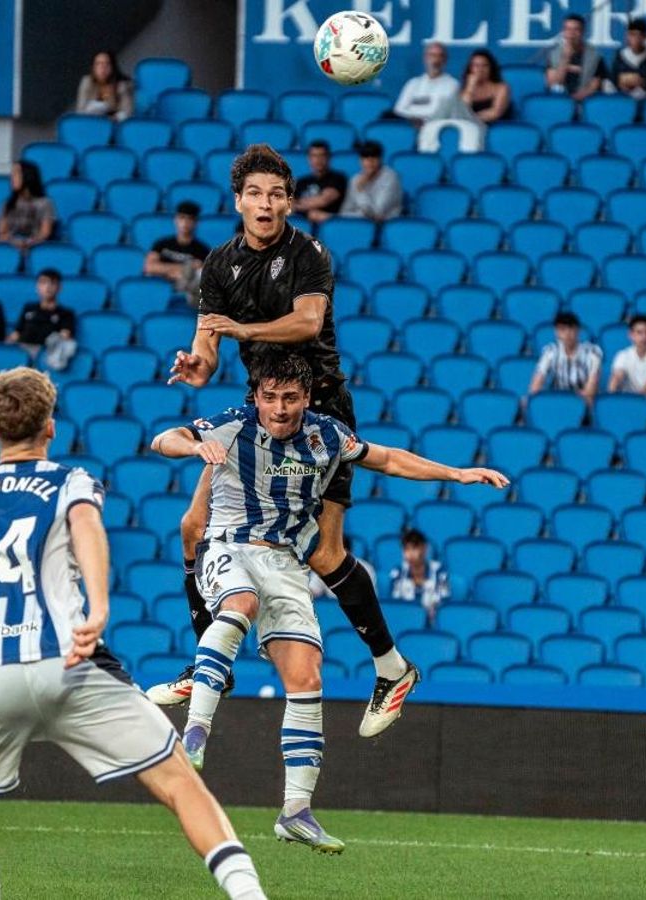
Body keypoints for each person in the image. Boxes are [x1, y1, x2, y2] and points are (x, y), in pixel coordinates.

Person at [0, 367, 267, 900]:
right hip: (70, 660)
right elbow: (86, 526)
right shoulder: (69, 481)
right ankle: (249, 894)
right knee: (179, 782)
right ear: (52, 428)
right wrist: (99, 605)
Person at [152, 351, 509, 852]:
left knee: (307, 677)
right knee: (239, 603)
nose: (279, 408)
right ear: (255, 397)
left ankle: (296, 811)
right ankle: (192, 739)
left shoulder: (326, 436)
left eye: (290, 398)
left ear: (306, 398)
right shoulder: (231, 425)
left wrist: (455, 474)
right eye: (270, 397)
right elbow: (163, 439)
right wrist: (193, 449)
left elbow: (385, 458)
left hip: (288, 566)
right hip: (229, 545)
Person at [155, 144, 420, 740]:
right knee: (193, 525)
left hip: (317, 407)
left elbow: (306, 321)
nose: (266, 203)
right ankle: (207, 666)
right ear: (238, 201)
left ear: (289, 202)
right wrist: (197, 367)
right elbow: (207, 346)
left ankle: (391, 668)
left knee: (325, 553)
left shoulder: (310, 254)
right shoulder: (219, 265)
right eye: (255, 193)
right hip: (261, 412)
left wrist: (242, 330)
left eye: (277, 194)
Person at [394, 42, 477, 153]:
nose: (436, 60)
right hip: (411, 125)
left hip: (435, 125)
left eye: (440, 56)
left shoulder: (452, 84)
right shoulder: (413, 83)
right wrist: (413, 118)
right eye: (432, 55)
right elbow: (399, 109)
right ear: (425, 58)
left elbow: (441, 111)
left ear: (445, 60)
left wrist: (422, 119)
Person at [528, 311, 602, 402]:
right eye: (562, 329)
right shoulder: (550, 351)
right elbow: (536, 383)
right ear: (556, 332)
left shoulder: (593, 352)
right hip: (557, 402)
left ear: (578, 330)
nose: (567, 334)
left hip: (583, 402)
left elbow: (591, 389)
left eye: (571, 328)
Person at [145, 200, 211, 295]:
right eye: (182, 218)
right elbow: (149, 267)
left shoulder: (203, 250)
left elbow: (202, 277)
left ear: (196, 223)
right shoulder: (161, 244)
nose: (185, 223)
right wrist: (185, 268)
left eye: (190, 219)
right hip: (157, 291)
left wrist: (163, 270)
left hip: (185, 293)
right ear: (175, 220)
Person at [8, 268, 77, 353]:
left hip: (48, 355)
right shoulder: (28, 308)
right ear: (37, 286)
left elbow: (64, 337)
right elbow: (16, 334)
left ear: (59, 288)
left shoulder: (66, 313)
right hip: (23, 353)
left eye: (53, 283)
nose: (48, 287)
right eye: (43, 282)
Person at [388, 530, 451, 623]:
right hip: (404, 621)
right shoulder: (398, 572)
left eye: (414, 548)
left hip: (432, 625)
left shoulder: (439, 571)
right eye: (406, 549)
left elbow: (443, 603)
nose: (410, 554)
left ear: (424, 549)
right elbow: (396, 604)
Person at [0, 160, 56, 250]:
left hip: (34, 248)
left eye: (16, 174)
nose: (12, 178)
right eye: (12, 174)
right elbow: (1, 233)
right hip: (10, 248)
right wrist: (12, 241)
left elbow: (45, 233)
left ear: (27, 176)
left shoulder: (44, 203)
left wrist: (27, 243)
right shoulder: (7, 203)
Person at [546, 13, 606, 101]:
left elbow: (594, 86)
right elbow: (553, 83)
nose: (571, 34)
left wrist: (574, 99)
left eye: (576, 30)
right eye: (568, 29)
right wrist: (565, 58)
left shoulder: (595, 57)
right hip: (560, 101)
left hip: (585, 101)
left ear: (583, 32)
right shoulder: (554, 55)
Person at [339, 141, 402, 223]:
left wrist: (361, 190)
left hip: (384, 226)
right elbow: (345, 212)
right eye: (366, 157)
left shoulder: (391, 178)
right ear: (360, 161)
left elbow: (376, 213)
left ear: (381, 159)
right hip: (359, 225)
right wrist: (359, 215)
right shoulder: (355, 179)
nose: (370, 161)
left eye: (374, 157)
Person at [292, 140, 346, 225]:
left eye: (322, 156)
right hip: (303, 228)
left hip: (329, 226)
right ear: (309, 159)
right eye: (314, 156)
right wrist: (309, 213)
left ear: (329, 158)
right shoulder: (302, 181)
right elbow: (289, 204)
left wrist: (298, 205)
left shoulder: (338, 178)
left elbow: (323, 201)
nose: (318, 160)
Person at [75, 51, 133, 121]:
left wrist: (111, 119)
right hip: (90, 123)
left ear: (112, 67)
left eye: (107, 64)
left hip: (113, 125)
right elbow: (80, 110)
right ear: (93, 67)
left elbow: (127, 112)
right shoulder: (87, 82)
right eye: (98, 64)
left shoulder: (122, 86)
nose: (102, 68)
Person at [460, 50, 511, 124]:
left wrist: (471, 119)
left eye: (484, 65)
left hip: (495, 128)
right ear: (470, 68)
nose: (480, 70)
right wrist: (470, 87)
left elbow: (495, 113)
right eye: (476, 66)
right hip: (471, 128)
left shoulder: (501, 88)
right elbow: (462, 111)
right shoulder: (464, 90)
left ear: (491, 68)